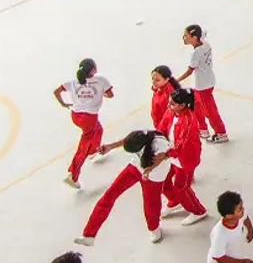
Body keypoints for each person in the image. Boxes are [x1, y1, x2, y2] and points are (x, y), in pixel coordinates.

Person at [74, 129, 172, 246]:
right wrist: (110, 146)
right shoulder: (139, 136)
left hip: (154, 175)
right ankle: (89, 235)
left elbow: (162, 157)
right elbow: (126, 141)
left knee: (150, 205)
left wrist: (148, 170)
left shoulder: (160, 144)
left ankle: (155, 229)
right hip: (136, 167)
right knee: (109, 195)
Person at [54, 58, 113, 189]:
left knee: (99, 129)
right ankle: (73, 175)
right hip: (89, 118)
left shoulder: (73, 82)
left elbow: (57, 91)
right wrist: (100, 94)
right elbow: (110, 95)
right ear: (93, 70)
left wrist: (64, 103)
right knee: (83, 147)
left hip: (76, 115)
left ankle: (93, 150)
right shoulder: (101, 80)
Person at [160, 88, 209, 226]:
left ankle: (198, 211)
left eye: (172, 104)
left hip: (184, 158)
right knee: (164, 180)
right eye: (169, 103)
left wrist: (165, 154)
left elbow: (181, 144)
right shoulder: (170, 112)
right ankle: (174, 200)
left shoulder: (188, 120)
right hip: (170, 154)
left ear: (182, 105)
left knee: (181, 186)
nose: (169, 106)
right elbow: (162, 128)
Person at [180, 25, 228, 142]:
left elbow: (190, 71)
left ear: (194, 38)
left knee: (210, 112)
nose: (184, 38)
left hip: (203, 86)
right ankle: (203, 129)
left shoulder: (196, 53)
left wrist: (176, 80)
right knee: (197, 106)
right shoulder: (205, 44)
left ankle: (221, 133)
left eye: (186, 36)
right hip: (208, 80)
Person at [208, 191, 253, 263]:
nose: (243, 209)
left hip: (234, 255)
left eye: (242, 206)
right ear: (229, 216)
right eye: (240, 209)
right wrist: (243, 262)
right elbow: (219, 257)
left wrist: (250, 230)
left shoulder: (239, 215)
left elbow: (245, 218)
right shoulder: (220, 235)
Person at [149, 65, 180, 133]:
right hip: (158, 124)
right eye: (152, 78)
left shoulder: (168, 97)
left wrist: (161, 131)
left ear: (167, 79)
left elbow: (167, 118)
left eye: (157, 80)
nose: (153, 82)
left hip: (164, 128)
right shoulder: (159, 88)